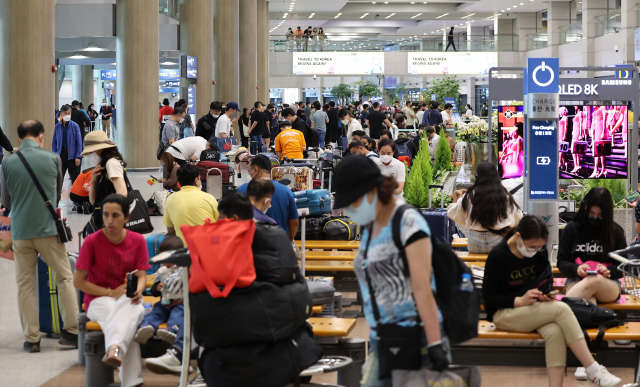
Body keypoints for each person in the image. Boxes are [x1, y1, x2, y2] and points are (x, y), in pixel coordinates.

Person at [332, 155, 450, 387]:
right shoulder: (370, 223)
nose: (349, 208)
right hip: (383, 336)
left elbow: (422, 286)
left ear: (371, 191)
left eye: (352, 201)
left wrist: (435, 345)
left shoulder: (407, 222)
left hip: (416, 337)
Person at [483, 215, 621, 387]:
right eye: (532, 246)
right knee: (561, 309)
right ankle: (593, 369)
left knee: (555, 332)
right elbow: (488, 299)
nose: (536, 250)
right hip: (504, 313)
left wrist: (546, 293)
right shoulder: (498, 256)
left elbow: (546, 280)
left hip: (533, 309)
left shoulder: (539, 251)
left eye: (540, 246)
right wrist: (519, 300)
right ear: (518, 237)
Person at [0, 120, 80, 352]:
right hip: (48, 230)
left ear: (18, 139)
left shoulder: (7, 163)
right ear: (42, 137)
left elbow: (6, 202)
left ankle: (32, 339)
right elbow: (56, 197)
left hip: (21, 231)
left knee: (25, 284)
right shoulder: (53, 159)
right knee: (64, 277)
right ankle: (71, 332)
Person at [73, 193, 150, 387]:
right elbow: (78, 282)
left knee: (130, 308)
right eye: (106, 215)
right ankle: (132, 381)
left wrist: (139, 291)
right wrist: (110, 292)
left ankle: (114, 349)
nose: (109, 220)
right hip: (98, 299)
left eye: (115, 215)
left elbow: (141, 275)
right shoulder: (92, 242)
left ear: (126, 218)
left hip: (127, 298)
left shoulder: (138, 241)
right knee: (126, 322)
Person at [558, 187, 626, 305]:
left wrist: (608, 270)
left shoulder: (616, 232)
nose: (595, 218)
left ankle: (560, 309)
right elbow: (562, 261)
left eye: (600, 215)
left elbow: (624, 266)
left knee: (593, 281)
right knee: (588, 302)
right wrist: (577, 269)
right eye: (591, 213)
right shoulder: (571, 228)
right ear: (585, 207)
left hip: (608, 284)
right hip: (576, 280)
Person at [136, 235, 188, 374]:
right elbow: (152, 291)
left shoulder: (185, 269)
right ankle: (147, 326)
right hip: (164, 301)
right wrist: (157, 287)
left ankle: (172, 329)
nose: (167, 263)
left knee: (179, 312)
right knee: (156, 311)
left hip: (180, 302)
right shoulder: (161, 271)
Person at [447, 162, 523, 253]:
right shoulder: (504, 195)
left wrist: (455, 195)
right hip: (498, 242)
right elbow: (518, 219)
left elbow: (453, 213)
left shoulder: (470, 194)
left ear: (477, 176)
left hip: (474, 243)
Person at [237, 155, 299, 240]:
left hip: (251, 242)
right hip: (279, 242)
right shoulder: (286, 191)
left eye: (249, 171)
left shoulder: (243, 189)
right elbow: (294, 223)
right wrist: (288, 241)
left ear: (255, 170)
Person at [163, 164, 219, 245]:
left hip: (184, 251)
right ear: (196, 181)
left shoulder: (170, 199)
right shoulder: (209, 198)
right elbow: (219, 225)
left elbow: (171, 231)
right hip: (208, 249)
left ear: (179, 183)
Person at [84, 130, 129, 230]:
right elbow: (93, 201)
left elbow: (122, 193)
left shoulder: (111, 163)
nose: (90, 156)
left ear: (100, 149)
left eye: (91, 152)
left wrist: (110, 218)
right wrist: (92, 181)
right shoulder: (103, 169)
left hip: (112, 226)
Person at [53, 104, 83, 184]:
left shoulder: (75, 126)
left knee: (75, 179)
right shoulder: (57, 126)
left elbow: (79, 142)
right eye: (65, 113)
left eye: (69, 113)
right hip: (61, 154)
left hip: (72, 156)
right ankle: (57, 196)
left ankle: (75, 196)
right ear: (61, 114)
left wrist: (78, 156)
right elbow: (54, 142)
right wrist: (55, 155)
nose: (67, 115)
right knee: (58, 178)